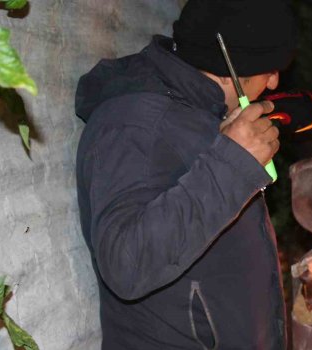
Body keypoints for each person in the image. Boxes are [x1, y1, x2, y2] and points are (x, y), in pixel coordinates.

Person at [74, 0, 297, 349]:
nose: (274, 81)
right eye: (269, 69)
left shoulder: (202, 115)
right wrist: (232, 164)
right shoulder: (134, 123)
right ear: (229, 73)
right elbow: (126, 263)